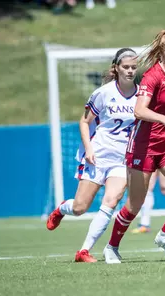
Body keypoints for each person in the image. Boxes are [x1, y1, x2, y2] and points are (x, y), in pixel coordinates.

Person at [103, 29, 165, 264]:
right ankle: (111, 247)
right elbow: (139, 111)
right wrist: (163, 119)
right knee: (135, 205)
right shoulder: (152, 77)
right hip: (142, 147)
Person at [46, 48, 139, 263]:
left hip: (121, 160)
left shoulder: (142, 95)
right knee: (80, 208)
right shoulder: (104, 93)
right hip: (98, 156)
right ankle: (61, 209)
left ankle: (84, 251)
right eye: (126, 67)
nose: (130, 71)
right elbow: (84, 121)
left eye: (134, 67)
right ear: (116, 68)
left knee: (111, 201)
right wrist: (88, 149)